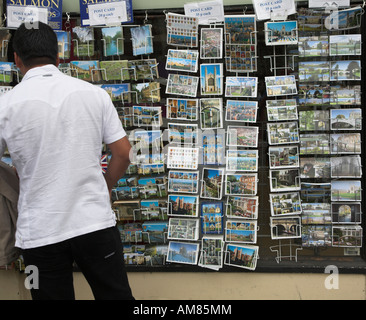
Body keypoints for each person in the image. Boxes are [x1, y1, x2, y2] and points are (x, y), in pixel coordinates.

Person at [0, 22, 134, 300]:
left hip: (39, 234)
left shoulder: (6, 105)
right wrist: (105, 186)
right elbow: (122, 152)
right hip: (94, 222)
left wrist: (20, 173)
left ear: (16, 59)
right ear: (58, 54)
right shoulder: (94, 94)